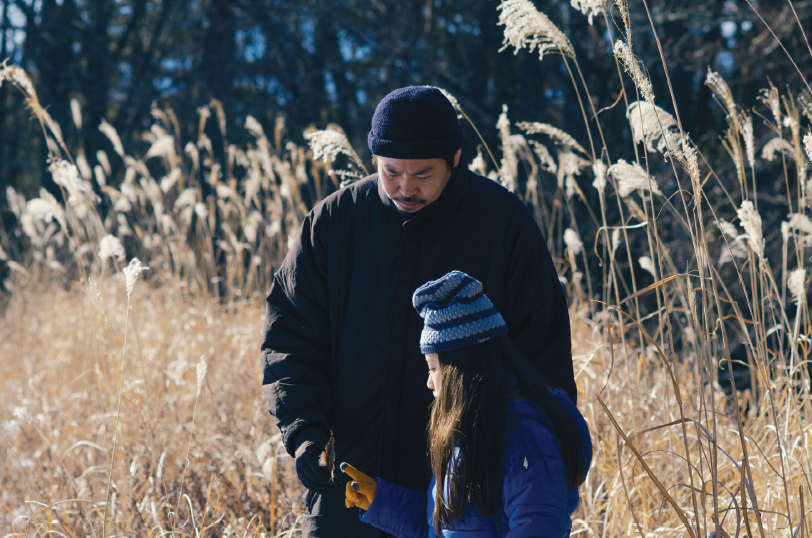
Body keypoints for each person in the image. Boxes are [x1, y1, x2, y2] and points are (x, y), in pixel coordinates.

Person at [261, 86, 574, 537]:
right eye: (391, 172)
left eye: (423, 174)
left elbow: (541, 359)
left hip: (466, 492)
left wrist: (528, 461)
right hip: (351, 484)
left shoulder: (503, 225)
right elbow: (290, 337)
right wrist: (304, 431)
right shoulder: (334, 223)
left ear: (457, 158)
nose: (405, 187)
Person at [341, 271, 592, 538]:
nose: (429, 382)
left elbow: (538, 528)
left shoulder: (525, 439)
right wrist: (382, 502)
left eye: (433, 368)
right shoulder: (474, 432)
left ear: (459, 371)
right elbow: (445, 527)